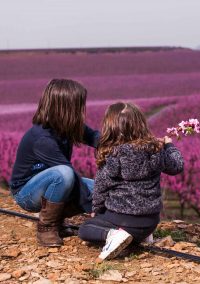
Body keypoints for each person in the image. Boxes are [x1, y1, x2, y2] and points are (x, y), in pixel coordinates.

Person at [78, 102, 184, 262]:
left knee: (85, 229)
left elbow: (100, 187)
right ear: (141, 124)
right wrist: (169, 147)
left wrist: (97, 210)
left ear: (110, 127)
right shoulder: (155, 150)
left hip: (123, 220)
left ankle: (113, 235)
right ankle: (141, 236)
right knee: (132, 224)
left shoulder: (110, 154)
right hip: (150, 221)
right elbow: (177, 166)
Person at [10, 79, 100, 247]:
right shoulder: (42, 138)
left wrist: (128, 144)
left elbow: (96, 138)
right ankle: (47, 227)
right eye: (80, 105)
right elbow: (70, 174)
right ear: (67, 108)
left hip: (52, 185)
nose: (82, 110)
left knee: (98, 189)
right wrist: (91, 206)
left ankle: (57, 219)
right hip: (26, 193)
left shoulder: (67, 126)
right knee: (63, 174)